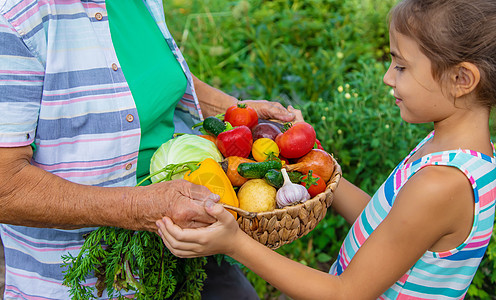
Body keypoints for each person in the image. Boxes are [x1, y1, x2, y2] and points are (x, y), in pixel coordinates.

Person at [157, 0, 496, 298]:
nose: (387, 77)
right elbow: (386, 220)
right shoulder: (458, 153)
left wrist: (235, 244)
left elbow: (344, 293)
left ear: (461, 80)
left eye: (402, 66)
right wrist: (311, 162)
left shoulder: (442, 183)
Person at [0, 0, 303, 298]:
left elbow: (164, 76)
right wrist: (137, 207)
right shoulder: (15, 18)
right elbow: (5, 187)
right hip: (89, 272)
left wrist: (238, 114)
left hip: (182, 231)